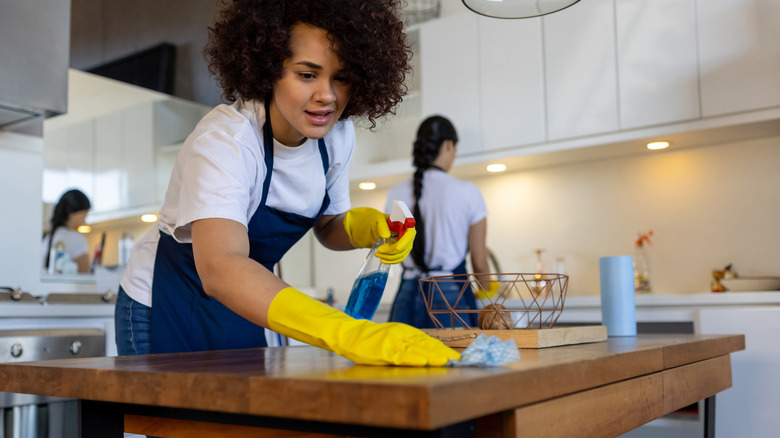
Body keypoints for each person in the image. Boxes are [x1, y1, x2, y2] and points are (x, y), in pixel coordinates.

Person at [114, 0, 459, 367]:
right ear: (269, 69)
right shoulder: (226, 141)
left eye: (341, 77)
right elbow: (220, 266)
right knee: (184, 422)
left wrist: (370, 228)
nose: (327, 95)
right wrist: (348, 332)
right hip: (168, 299)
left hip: (244, 298)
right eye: (307, 74)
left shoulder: (336, 136)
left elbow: (329, 225)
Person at [385, 115, 493, 328]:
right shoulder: (468, 192)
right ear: (449, 145)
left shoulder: (395, 193)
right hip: (450, 293)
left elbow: (392, 250)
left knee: (404, 358)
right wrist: (490, 294)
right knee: (456, 359)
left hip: (407, 290)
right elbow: (480, 261)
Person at [42, 189, 91, 274]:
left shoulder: (49, 237)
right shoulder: (76, 238)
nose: (85, 219)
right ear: (73, 213)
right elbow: (84, 272)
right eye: (85, 214)